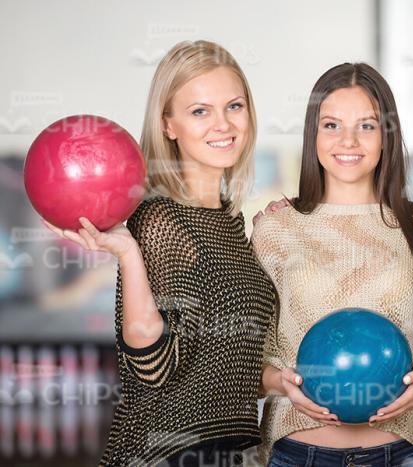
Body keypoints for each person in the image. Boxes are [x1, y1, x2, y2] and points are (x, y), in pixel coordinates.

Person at [43, 40, 276, 466]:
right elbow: (154, 370)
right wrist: (130, 256)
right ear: (168, 124)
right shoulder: (160, 220)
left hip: (224, 453)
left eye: (234, 106)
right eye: (200, 111)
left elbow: (230, 364)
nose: (223, 124)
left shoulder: (229, 222)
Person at [251, 63, 413, 467]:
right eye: (331, 125)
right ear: (312, 134)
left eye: (366, 126)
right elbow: (252, 357)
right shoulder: (275, 230)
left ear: (387, 136)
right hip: (300, 453)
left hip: (407, 454)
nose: (348, 140)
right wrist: (282, 382)